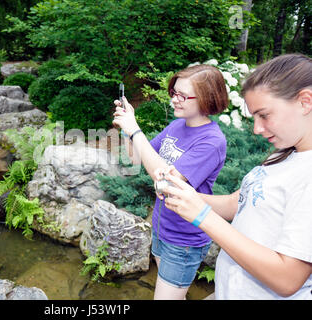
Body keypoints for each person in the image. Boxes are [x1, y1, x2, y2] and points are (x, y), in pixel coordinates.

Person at [156, 53, 312, 299]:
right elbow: (236, 203)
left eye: (264, 115)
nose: (257, 129)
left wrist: (202, 216)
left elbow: (288, 278)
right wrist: (186, 197)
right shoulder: (283, 155)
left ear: (305, 101)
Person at [112, 64, 228, 299]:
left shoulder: (212, 142)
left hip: (184, 240)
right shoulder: (177, 125)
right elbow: (136, 158)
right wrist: (127, 128)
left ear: (207, 99)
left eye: (183, 95)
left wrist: (135, 131)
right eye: (174, 93)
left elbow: (165, 180)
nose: (175, 99)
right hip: (161, 226)